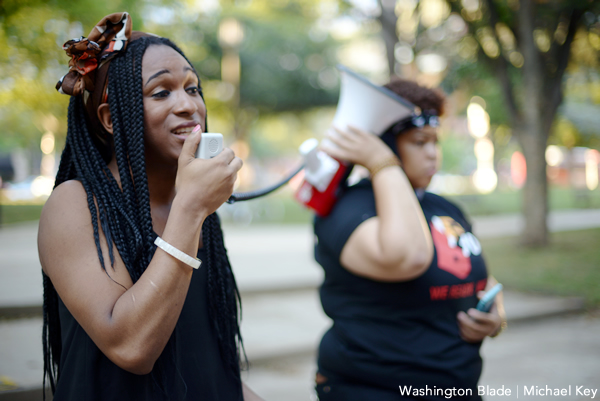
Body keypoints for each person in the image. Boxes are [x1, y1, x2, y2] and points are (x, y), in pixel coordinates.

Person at [38, 12, 263, 400]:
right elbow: (131, 348)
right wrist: (190, 211)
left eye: (193, 89)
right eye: (161, 93)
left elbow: (204, 356)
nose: (188, 105)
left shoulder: (193, 206)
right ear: (111, 119)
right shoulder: (75, 204)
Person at [312, 78, 506, 400]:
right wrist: (381, 162)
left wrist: (497, 317)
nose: (432, 154)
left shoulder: (445, 207)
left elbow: (481, 277)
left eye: (435, 141)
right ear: (385, 144)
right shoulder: (346, 207)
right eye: (419, 142)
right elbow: (406, 257)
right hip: (372, 389)